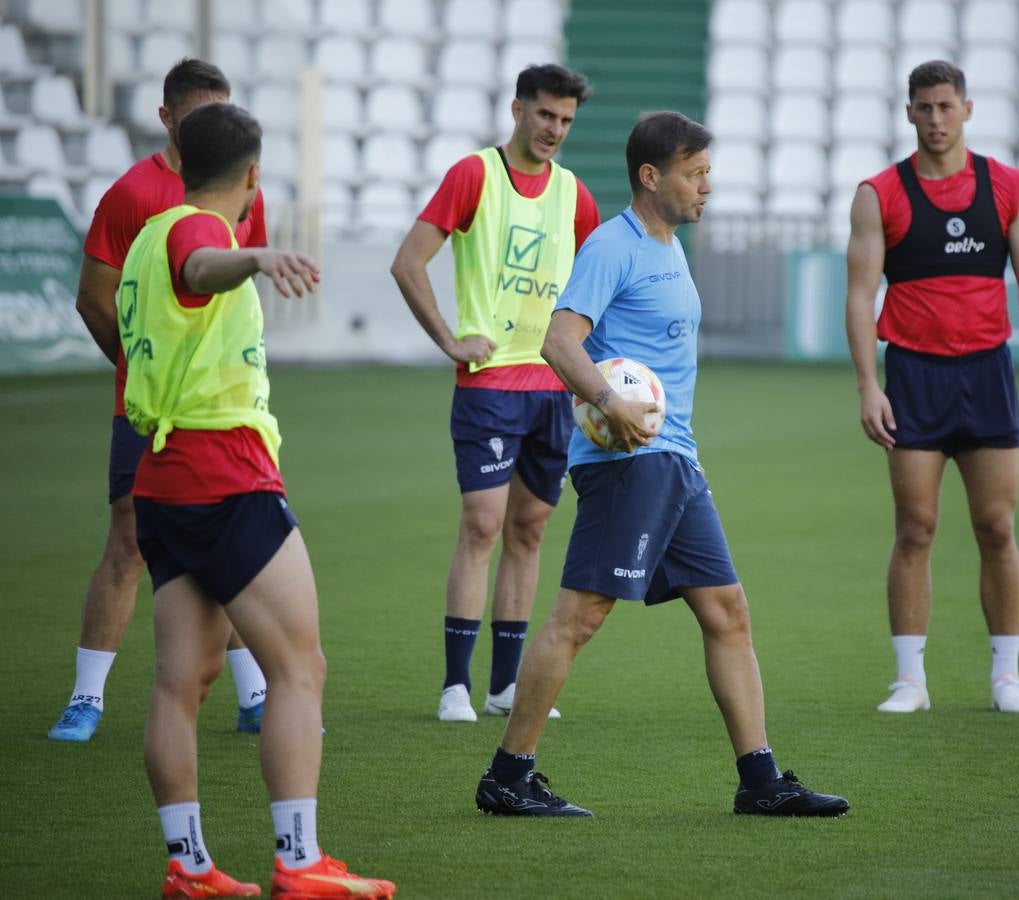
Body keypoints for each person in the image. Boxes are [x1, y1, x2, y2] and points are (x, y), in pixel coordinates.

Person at [472, 111, 849, 818]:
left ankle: (760, 780)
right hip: (630, 466)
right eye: (695, 173)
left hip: (675, 459)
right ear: (652, 177)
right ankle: (508, 774)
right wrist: (606, 403)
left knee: (728, 611)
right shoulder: (613, 246)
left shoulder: (669, 246)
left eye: (708, 172)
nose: (708, 186)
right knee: (579, 617)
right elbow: (560, 342)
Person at [118, 102, 394, 899]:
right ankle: (300, 861)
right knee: (299, 666)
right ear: (253, 175)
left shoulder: (144, 237)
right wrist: (257, 256)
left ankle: (190, 866)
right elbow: (202, 266)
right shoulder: (196, 233)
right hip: (224, 471)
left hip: (164, 476)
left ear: (175, 161)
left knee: (185, 677)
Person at [52, 58, 269, 742]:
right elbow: (93, 296)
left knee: (230, 539)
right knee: (129, 543)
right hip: (145, 409)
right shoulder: (132, 194)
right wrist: (140, 368)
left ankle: (254, 694)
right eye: (199, 115)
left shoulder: (240, 191)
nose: (212, 127)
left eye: (220, 113)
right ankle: (87, 698)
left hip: (221, 410)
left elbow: (234, 297)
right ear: (167, 117)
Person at [843, 60, 1019, 715]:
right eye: (924, 108)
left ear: (966, 109)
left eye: (945, 107)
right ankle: (910, 681)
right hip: (913, 375)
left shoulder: (1009, 187)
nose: (935, 119)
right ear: (909, 113)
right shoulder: (880, 194)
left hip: (987, 373)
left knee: (997, 526)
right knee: (916, 528)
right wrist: (867, 385)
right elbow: (859, 295)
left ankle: (1006, 679)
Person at [391, 64, 600, 723]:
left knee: (530, 531)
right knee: (482, 524)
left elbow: (599, 286)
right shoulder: (473, 175)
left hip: (550, 390)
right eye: (544, 116)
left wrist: (594, 375)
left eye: (565, 121)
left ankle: (505, 686)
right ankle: (456, 683)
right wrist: (450, 339)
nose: (554, 130)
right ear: (518, 109)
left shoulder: (575, 194)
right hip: (488, 387)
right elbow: (408, 260)